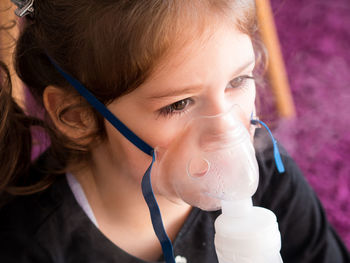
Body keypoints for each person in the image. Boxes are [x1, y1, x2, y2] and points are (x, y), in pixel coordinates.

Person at [0, 0, 349, 262]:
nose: (226, 129)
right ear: (77, 117)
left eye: (238, 80)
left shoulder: (271, 176)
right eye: (179, 104)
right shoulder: (33, 243)